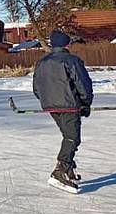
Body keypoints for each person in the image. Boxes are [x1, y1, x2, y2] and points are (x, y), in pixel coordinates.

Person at [33, 30, 93, 192]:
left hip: (51, 107)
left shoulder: (42, 62)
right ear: (67, 44)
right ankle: (60, 171)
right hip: (69, 106)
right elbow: (83, 85)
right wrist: (85, 103)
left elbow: (36, 88)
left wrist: (47, 101)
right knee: (72, 138)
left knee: (68, 136)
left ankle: (69, 168)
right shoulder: (71, 60)